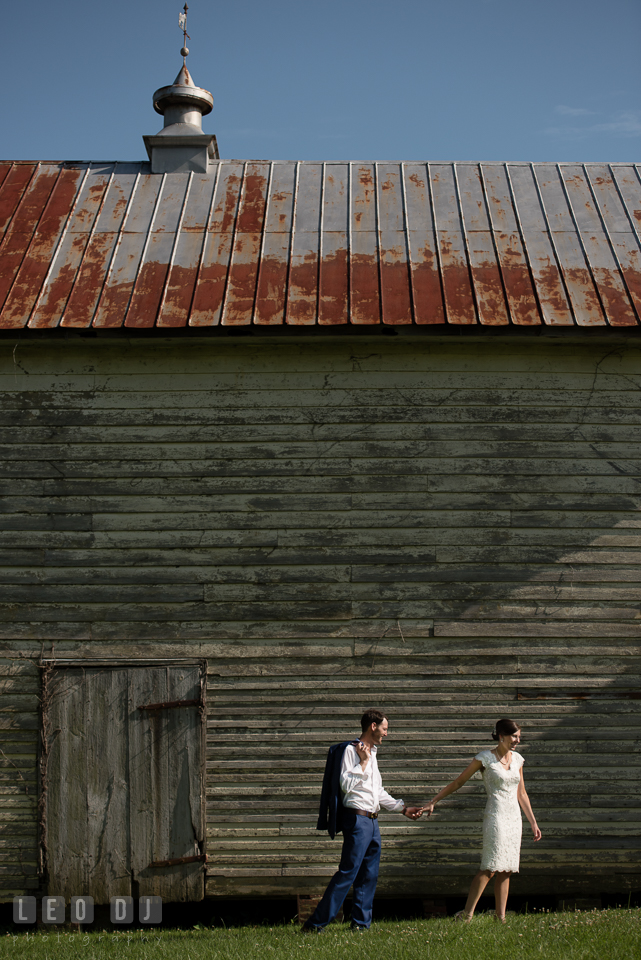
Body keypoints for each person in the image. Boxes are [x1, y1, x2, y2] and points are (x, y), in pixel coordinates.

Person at [303, 708, 423, 933]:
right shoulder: (351, 751)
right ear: (373, 726)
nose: (387, 734)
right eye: (385, 729)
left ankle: (360, 924)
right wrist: (364, 762)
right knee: (348, 872)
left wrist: (403, 809)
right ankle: (315, 924)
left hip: (373, 822)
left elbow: (377, 791)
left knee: (369, 874)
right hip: (356, 820)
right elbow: (346, 785)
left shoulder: (373, 753)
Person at [422, 718, 541, 923]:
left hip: (514, 818)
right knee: (490, 867)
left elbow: (522, 793)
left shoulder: (519, 760)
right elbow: (459, 781)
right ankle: (466, 915)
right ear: (501, 736)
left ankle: (500, 917)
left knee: (507, 869)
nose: (517, 741)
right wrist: (434, 801)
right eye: (514, 736)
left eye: (519, 737)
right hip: (496, 816)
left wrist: (533, 822)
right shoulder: (485, 758)